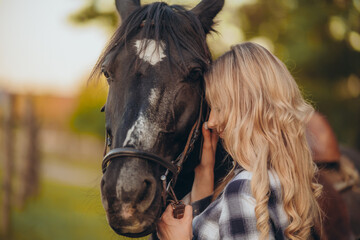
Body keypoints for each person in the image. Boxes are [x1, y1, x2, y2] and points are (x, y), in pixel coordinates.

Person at [157, 42, 322, 240]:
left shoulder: (242, 190)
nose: (211, 122)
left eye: (218, 108)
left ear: (247, 110)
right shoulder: (279, 180)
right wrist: (205, 171)